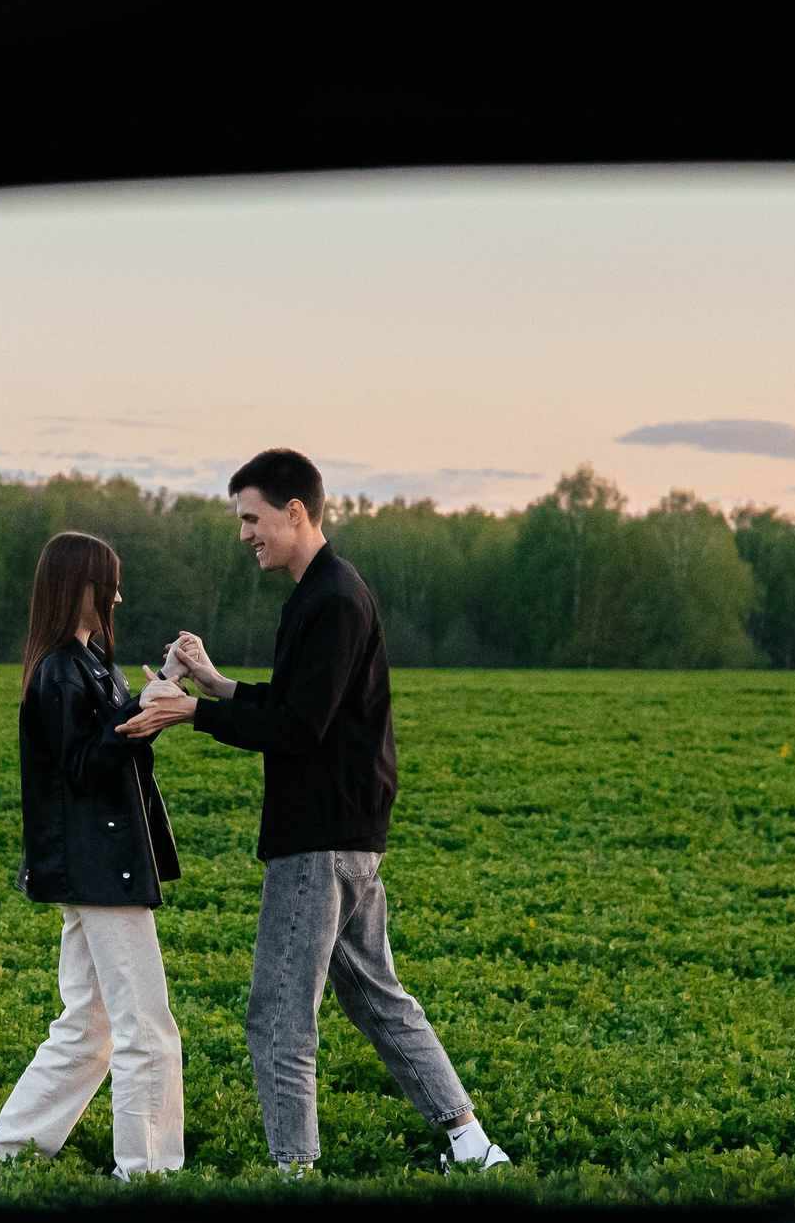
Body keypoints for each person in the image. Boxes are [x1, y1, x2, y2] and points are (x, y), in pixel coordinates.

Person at [125, 449, 509, 1173]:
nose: (245, 533)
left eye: (252, 517)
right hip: (347, 835)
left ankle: (293, 1172)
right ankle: (473, 1143)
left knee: (277, 1017)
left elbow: (302, 729)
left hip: (320, 840)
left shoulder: (332, 599)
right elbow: (299, 702)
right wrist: (214, 682)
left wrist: (191, 714)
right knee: (377, 998)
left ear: (294, 511)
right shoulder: (322, 593)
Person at [0, 530, 186, 1176]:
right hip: (103, 869)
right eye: (111, 582)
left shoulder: (87, 662)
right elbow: (83, 765)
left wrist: (147, 703)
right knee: (144, 1030)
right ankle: (148, 1171)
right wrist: (141, 716)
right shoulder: (60, 670)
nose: (119, 595)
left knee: (90, 1024)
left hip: (96, 865)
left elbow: (102, 745)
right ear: (83, 586)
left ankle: (9, 1150)